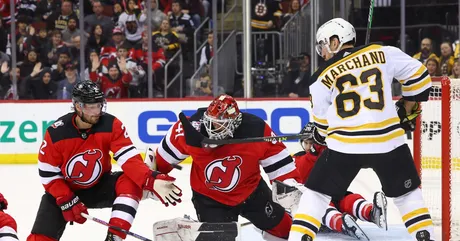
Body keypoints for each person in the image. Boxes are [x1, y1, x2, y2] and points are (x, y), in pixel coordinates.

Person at [288, 18, 434, 241]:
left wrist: (318, 134)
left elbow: (323, 125)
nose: (322, 52)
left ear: (336, 41)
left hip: (345, 146)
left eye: (323, 45)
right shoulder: (383, 52)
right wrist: (407, 105)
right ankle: (425, 237)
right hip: (388, 141)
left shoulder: (320, 76)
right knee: (407, 196)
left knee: (316, 195)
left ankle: (299, 238)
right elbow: (422, 79)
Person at [26, 81, 182, 241]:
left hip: (100, 186)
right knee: (39, 238)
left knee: (131, 182)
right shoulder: (56, 133)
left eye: (99, 105)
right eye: (90, 107)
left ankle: (115, 236)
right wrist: (66, 198)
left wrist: (150, 179)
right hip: (66, 191)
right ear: (78, 107)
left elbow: (129, 159)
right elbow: (48, 175)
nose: (96, 112)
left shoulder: (111, 124)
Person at [152, 94, 303, 240]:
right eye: (210, 122)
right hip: (210, 200)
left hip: (252, 192)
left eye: (219, 125)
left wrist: (291, 192)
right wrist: (154, 180)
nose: (212, 128)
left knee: (287, 231)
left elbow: (282, 169)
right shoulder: (188, 131)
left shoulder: (257, 130)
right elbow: (158, 161)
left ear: (234, 124)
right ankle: (192, 232)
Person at [274, 123, 387, 240]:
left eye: (311, 143)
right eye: (306, 143)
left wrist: (324, 149)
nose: (308, 146)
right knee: (318, 203)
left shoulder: (329, 154)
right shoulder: (297, 158)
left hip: (332, 194)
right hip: (311, 204)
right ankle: (342, 224)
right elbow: (301, 172)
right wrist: (314, 152)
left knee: (348, 198)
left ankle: (371, 212)